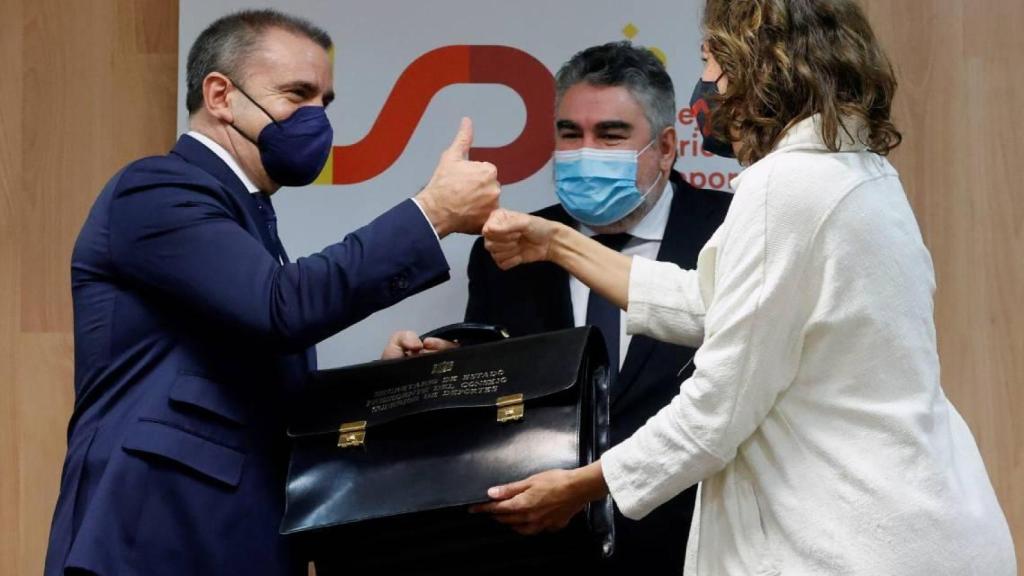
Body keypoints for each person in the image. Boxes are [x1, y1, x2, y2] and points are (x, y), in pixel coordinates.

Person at [472, 0, 1018, 574]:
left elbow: (717, 409)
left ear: (758, 65)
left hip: (852, 539)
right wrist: (558, 242)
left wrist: (581, 485)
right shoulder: (857, 171)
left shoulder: (785, 186)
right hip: (913, 521)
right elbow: (714, 306)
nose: (704, 83)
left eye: (710, 60)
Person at [43, 9, 499, 576]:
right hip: (156, 539)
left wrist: (378, 387)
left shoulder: (249, 219)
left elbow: (256, 387)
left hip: (237, 542)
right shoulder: (157, 189)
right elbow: (280, 308)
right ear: (220, 95)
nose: (317, 119)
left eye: (325, 103)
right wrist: (431, 215)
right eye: (297, 95)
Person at [467, 41, 729, 575]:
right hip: (545, 550)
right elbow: (491, 395)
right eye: (571, 134)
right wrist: (442, 366)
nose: (586, 152)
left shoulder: (730, 232)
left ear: (666, 148)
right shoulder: (507, 248)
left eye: (610, 135)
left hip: (694, 547)